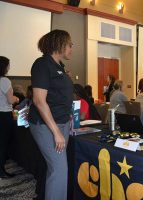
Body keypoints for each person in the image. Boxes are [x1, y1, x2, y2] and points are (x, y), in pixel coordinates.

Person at [28, 30, 73, 200]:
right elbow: (39, 100)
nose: (71, 48)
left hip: (61, 123)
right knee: (59, 170)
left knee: (57, 169)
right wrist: (56, 132)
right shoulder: (42, 64)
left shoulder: (59, 66)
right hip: (46, 125)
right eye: (70, 44)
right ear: (59, 44)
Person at [0, 56, 19, 179]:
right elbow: (10, 100)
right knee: (3, 144)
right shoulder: (4, 81)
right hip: (4, 115)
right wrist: (17, 98)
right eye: (8, 65)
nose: (9, 67)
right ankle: (1, 171)